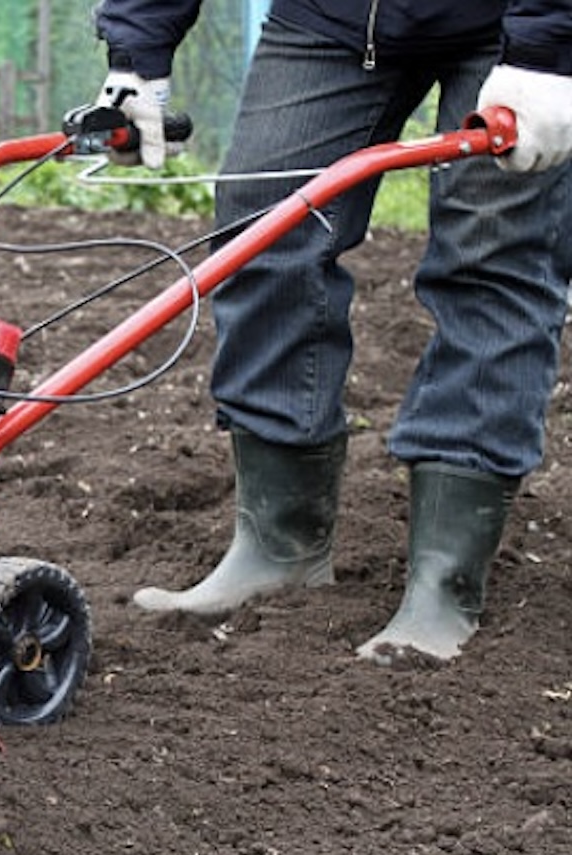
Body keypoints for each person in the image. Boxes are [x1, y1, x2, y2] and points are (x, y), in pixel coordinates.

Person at [93, 0, 572, 663]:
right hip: (333, 16)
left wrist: (547, 49)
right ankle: (277, 546)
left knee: (491, 257)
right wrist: (137, 51)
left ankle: (444, 582)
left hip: (513, 22)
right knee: (264, 225)